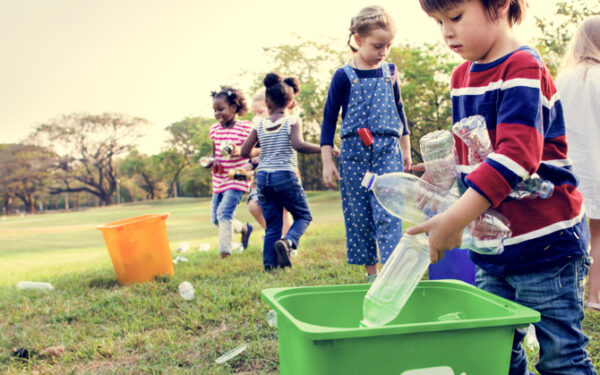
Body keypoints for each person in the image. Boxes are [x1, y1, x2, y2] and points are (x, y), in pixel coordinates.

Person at [411, 1, 596, 374]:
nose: (447, 31)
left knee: (561, 357)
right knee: (492, 353)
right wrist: (442, 174)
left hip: (546, 247)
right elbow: (477, 152)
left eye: (456, 17)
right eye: (438, 22)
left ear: (500, 5)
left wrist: (454, 218)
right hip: (493, 250)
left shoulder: (523, 68)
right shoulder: (462, 77)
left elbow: (516, 157)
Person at [320, 6, 411, 283]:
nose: (383, 51)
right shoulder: (342, 76)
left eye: (388, 45)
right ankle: (372, 276)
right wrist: (327, 162)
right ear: (358, 40)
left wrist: (405, 152)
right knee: (359, 216)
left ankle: (392, 276)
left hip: (387, 152)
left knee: (388, 214)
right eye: (377, 45)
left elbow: (400, 113)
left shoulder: (390, 72)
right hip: (354, 156)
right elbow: (327, 121)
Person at [241, 73, 329, 271]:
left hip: (263, 178)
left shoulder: (260, 125)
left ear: (268, 102)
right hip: (285, 176)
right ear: (291, 104)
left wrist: (259, 149)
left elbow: (244, 152)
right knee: (303, 216)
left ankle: (269, 265)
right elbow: (299, 145)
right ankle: (288, 242)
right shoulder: (291, 121)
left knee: (272, 224)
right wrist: (324, 147)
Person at [557, 15, 600, 312]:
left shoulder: (561, 79)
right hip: (596, 164)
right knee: (598, 235)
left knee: (566, 233)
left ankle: (566, 293)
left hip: (564, 167)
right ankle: (594, 297)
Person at [207, 86, 253, 259]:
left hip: (238, 176)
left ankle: (225, 253)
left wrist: (239, 150)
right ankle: (244, 229)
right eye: (214, 110)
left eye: (221, 109)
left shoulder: (245, 128)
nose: (217, 113)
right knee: (216, 219)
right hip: (219, 179)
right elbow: (215, 154)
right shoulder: (214, 130)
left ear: (233, 108)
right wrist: (210, 161)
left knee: (224, 213)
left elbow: (253, 150)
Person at [244, 89, 292, 236]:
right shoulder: (258, 132)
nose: (256, 117)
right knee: (253, 206)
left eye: (260, 112)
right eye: (254, 113)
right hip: (261, 180)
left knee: (282, 211)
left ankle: (288, 244)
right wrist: (246, 166)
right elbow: (251, 154)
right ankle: (276, 236)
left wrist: (262, 154)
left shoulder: (285, 127)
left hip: (282, 176)